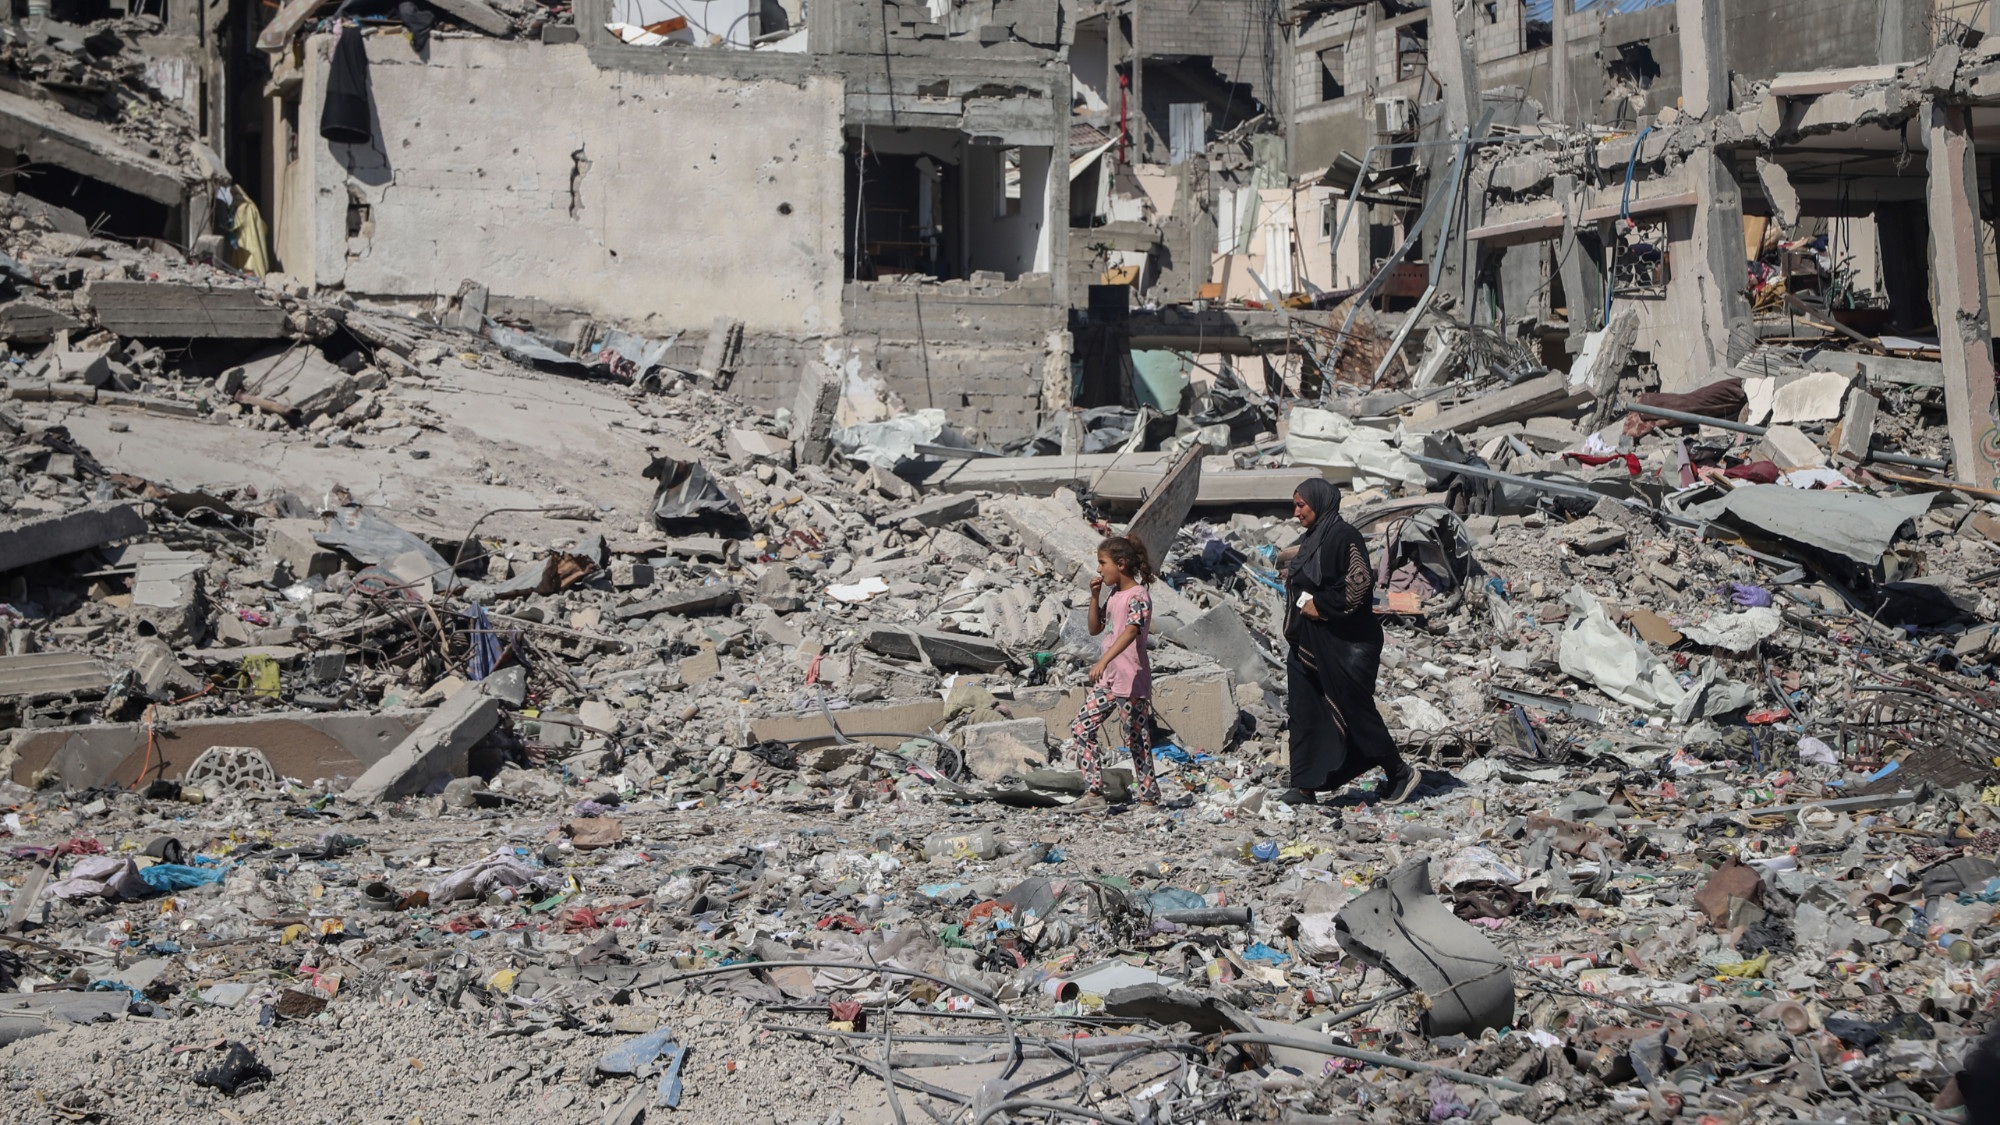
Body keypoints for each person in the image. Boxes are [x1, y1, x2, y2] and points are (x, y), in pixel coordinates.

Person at [1277, 478, 1418, 807]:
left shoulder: (1343, 536)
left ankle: (1399, 773)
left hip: (1346, 644)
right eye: (1294, 505)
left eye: (1302, 505)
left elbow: (1359, 584)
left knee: (1354, 710)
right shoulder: (1313, 538)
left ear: (1321, 503)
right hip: (1309, 643)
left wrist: (1321, 606)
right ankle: (1304, 785)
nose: (1295, 512)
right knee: (1305, 709)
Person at [1068, 535, 1162, 812]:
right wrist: (1095, 597)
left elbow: (1131, 631)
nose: (1099, 570)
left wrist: (1102, 660)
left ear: (1120, 564)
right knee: (1081, 727)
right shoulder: (1114, 596)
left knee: (1136, 738)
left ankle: (1148, 798)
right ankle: (1094, 793)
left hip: (1131, 678)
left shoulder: (1138, 596)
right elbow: (1095, 629)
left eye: (1102, 563)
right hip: (1109, 679)